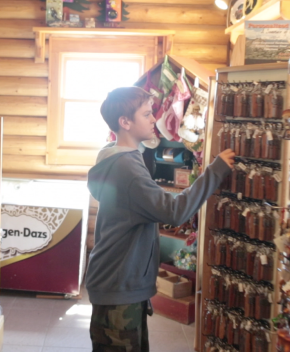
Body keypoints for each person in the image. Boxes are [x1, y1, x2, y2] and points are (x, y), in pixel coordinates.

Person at [86, 86, 235, 351]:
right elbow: (174, 212)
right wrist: (215, 171)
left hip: (120, 281)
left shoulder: (119, 156)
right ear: (125, 122)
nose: (154, 119)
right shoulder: (127, 168)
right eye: (146, 114)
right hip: (119, 285)